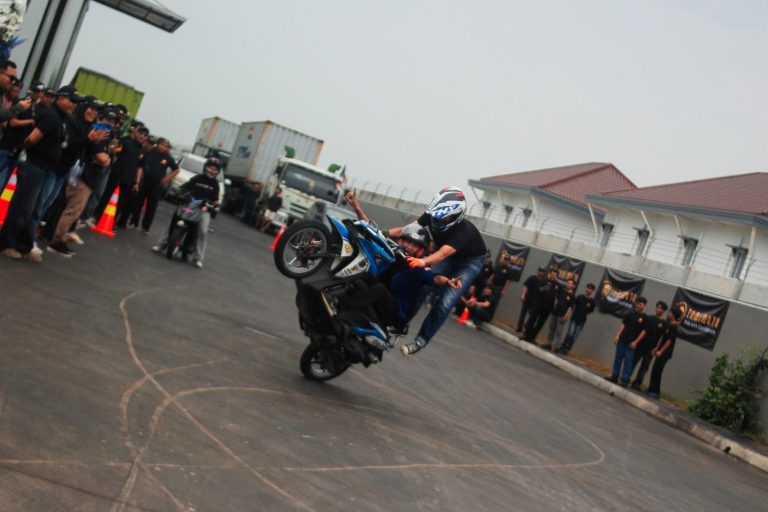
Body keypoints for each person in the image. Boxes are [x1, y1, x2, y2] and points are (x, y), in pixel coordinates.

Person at [386, 186, 486, 356]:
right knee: (423, 284)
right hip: (447, 255)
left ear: (456, 215)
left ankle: (420, 340)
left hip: (469, 262)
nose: (438, 219)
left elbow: (443, 253)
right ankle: (401, 324)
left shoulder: (464, 231)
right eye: (437, 215)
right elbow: (407, 229)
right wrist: (384, 233)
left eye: (444, 217)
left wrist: (422, 261)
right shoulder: (432, 214)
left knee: (445, 302)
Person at [0, 85, 80, 262]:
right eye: (72, 100)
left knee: (34, 210)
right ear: (61, 98)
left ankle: (24, 246)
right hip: (34, 166)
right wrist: (24, 152)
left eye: (76, 102)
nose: (74, 104)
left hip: (45, 168)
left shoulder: (61, 118)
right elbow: (32, 138)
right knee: (22, 207)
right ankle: (7, 244)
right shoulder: (51, 115)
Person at [47, 109, 115, 257]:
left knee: (72, 210)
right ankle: (57, 241)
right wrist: (107, 158)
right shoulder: (98, 133)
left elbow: (105, 158)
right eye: (107, 120)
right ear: (100, 119)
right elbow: (102, 158)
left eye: (112, 121)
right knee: (72, 211)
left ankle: (58, 237)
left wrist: (107, 157)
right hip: (84, 177)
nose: (110, 124)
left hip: (86, 178)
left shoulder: (104, 135)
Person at [152, 157, 221, 268]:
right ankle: (161, 244)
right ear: (206, 167)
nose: (212, 170)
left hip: (203, 208)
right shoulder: (198, 178)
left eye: (215, 169)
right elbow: (184, 187)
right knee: (173, 221)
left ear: (217, 171)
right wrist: (181, 193)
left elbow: (215, 200)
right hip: (189, 204)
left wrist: (210, 206)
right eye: (210, 167)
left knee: (203, 231)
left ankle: (198, 257)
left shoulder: (215, 184)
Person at [97, 121, 148, 228]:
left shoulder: (143, 151)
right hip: (116, 175)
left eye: (145, 135)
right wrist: (114, 143)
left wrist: (137, 182)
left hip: (129, 180)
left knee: (120, 202)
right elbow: (113, 150)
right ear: (136, 133)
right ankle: (98, 217)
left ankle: (111, 223)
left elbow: (140, 168)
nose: (142, 136)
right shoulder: (126, 142)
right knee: (107, 196)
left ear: (146, 138)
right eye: (141, 133)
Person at [130, 137, 179, 234]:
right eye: (162, 145)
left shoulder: (168, 157)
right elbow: (140, 165)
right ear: (157, 144)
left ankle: (146, 227)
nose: (164, 147)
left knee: (151, 207)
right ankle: (133, 222)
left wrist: (167, 178)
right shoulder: (150, 153)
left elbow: (177, 170)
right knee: (138, 203)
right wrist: (138, 181)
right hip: (145, 182)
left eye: (166, 146)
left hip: (157, 185)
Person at [607, 297, 648, 386]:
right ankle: (614, 376)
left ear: (645, 306)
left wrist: (636, 342)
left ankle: (625, 379)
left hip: (632, 343)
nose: (638, 305)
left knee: (628, 361)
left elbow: (643, 332)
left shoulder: (645, 318)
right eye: (637, 303)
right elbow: (623, 324)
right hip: (623, 339)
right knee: (618, 358)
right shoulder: (630, 313)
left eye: (640, 304)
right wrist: (618, 335)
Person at [631, 301, 668, 390]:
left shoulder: (664, 323)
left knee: (644, 367)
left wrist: (656, 348)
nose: (657, 309)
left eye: (660, 308)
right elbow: (642, 330)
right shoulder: (649, 318)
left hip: (651, 349)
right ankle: (626, 377)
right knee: (633, 362)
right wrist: (636, 341)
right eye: (657, 307)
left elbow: (661, 337)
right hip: (641, 345)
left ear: (663, 311)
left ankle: (637, 383)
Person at [647, 306, 682, 399]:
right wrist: (656, 348)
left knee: (658, 371)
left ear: (673, 315)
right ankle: (651, 389)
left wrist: (661, 351)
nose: (668, 314)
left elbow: (669, 341)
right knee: (654, 370)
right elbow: (662, 337)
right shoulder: (668, 324)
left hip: (665, 353)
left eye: (670, 313)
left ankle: (655, 392)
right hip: (659, 350)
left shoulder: (674, 327)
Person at [556, 283, 596, 354]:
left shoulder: (592, 301)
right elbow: (572, 305)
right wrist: (568, 314)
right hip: (574, 318)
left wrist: (586, 310)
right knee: (570, 333)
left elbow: (591, 310)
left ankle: (567, 349)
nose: (588, 290)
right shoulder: (580, 297)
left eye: (590, 289)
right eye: (587, 288)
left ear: (592, 291)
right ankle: (562, 346)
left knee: (574, 337)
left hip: (582, 321)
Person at [522, 266, 560, 343]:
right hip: (539, 304)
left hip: (548, 307)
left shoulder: (558, 285)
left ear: (556, 276)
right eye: (552, 274)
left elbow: (559, 296)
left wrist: (556, 304)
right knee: (532, 319)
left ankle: (532, 337)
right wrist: (542, 289)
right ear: (549, 274)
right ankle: (526, 335)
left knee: (540, 323)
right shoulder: (543, 280)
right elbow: (537, 290)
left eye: (555, 275)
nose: (553, 276)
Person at [545, 278, 575, 349]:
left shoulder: (572, 296)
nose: (568, 284)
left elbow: (571, 308)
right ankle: (548, 343)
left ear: (573, 285)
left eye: (570, 283)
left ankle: (557, 346)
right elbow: (557, 298)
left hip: (562, 315)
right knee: (551, 329)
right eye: (567, 283)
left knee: (559, 331)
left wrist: (566, 316)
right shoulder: (562, 291)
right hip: (555, 312)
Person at [517, 266, 545, 332]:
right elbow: (525, 286)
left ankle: (526, 325)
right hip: (527, 299)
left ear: (544, 273)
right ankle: (519, 328)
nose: (540, 272)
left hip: (535, 301)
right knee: (522, 314)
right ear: (537, 271)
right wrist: (523, 295)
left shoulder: (543, 281)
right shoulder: (532, 277)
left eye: (542, 271)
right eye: (540, 270)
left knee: (532, 315)